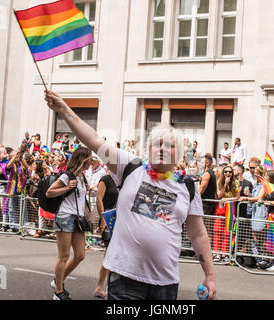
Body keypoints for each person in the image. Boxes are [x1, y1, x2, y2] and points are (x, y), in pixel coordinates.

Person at [45, 90, 216, 300]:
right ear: (148, 149)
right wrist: (63, 108)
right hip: (124, 278)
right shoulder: (130, 167)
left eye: (170, 145)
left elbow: (198, 234)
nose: (162, 148)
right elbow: (93, 140)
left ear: (179, 154)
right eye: (157, 143)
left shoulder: (187, 187)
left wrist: (210, 275)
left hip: (165, 283)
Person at [46, 147, 92, 300]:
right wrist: (67, 187)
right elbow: (49, 192)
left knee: (80, 255)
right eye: (89, 159)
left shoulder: (82, 176)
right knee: (64, 256)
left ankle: (57, 280)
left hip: (78, 219)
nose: (91, 162)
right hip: (65, 217)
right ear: (82, 160)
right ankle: (58, 292)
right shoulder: (68, 175)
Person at [94, 168, 119, 299]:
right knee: (109, 254)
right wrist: (103, 218)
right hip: (108, 218)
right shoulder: (106, 179)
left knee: (113, 255)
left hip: (119, 220)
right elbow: (99, 199)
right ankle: (100, 287)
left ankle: (108, 287)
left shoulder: (122, 181)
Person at [214, 165, 240, 262]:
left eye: (229, 172)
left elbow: (237, 197)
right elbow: (219, 195)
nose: (228, 173)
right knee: (217, 231)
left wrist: (227, 199)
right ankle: (217, 253)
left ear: (232, 173)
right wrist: (225, 184)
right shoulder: (219, 181)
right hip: (221, 208)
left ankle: (224, 253)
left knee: (227, 232)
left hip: (230, 207)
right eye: (226, 172)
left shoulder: (236, 183)